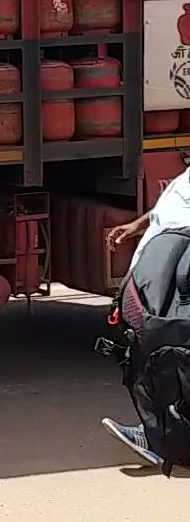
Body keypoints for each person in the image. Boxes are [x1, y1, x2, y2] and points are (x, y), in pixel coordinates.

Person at [100, 165, 190, 465]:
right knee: (156, 352)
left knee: (169, 352)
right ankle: (158, 432)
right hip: (161, 279)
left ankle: (160, 437)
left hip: (180, 281)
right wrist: (136, 226)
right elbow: (170, 208)